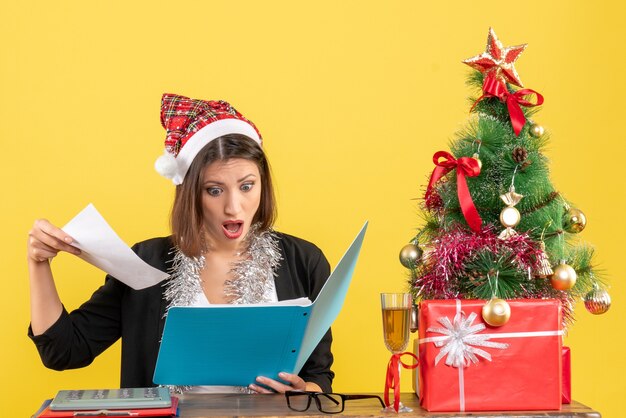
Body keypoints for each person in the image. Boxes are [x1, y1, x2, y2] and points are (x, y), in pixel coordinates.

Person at [27, 93, 334, 394]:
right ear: (190, 194)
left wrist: (303, 391)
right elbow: (64, 350)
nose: (234, 207)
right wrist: (38, 262)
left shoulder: (304, 262)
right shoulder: (147, 261)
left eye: (247, 186)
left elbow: (318, 378)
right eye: (214, 190)